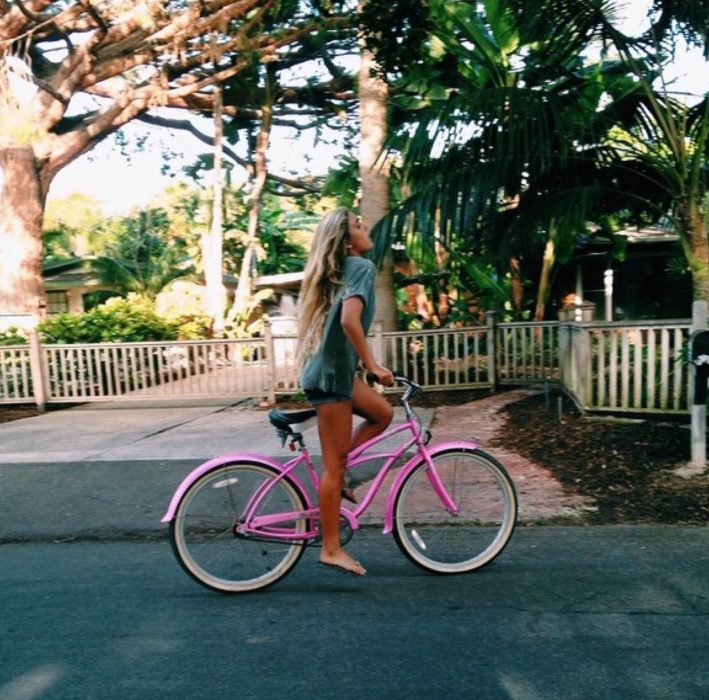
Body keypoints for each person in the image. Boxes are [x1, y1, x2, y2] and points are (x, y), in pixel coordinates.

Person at [297, 207, 394, 576]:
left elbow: (344, 326)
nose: (365, 226)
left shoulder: (344, 272)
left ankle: (340, 472)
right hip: (331, 378)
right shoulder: (361, 268)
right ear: (348, 242)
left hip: (336, 373)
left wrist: (363, 365)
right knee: (333, 467)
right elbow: (349, 320)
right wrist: (372, 364)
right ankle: (330, 548)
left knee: (383, 414)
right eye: (357, 225)